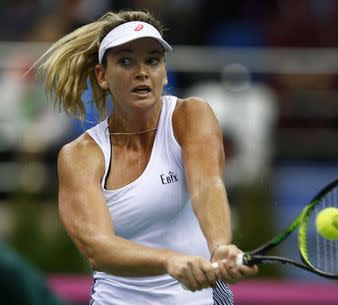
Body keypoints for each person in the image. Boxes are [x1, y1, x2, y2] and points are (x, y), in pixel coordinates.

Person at [36, 10, 257, 305]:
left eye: (152, 60)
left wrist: (219, 246)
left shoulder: (191, 116)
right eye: (126, 61)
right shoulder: (80, 156)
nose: (142, 71)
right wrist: (169, 261)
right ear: (102, 76)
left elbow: (207, 185)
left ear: (164, 74)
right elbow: (98, 248)